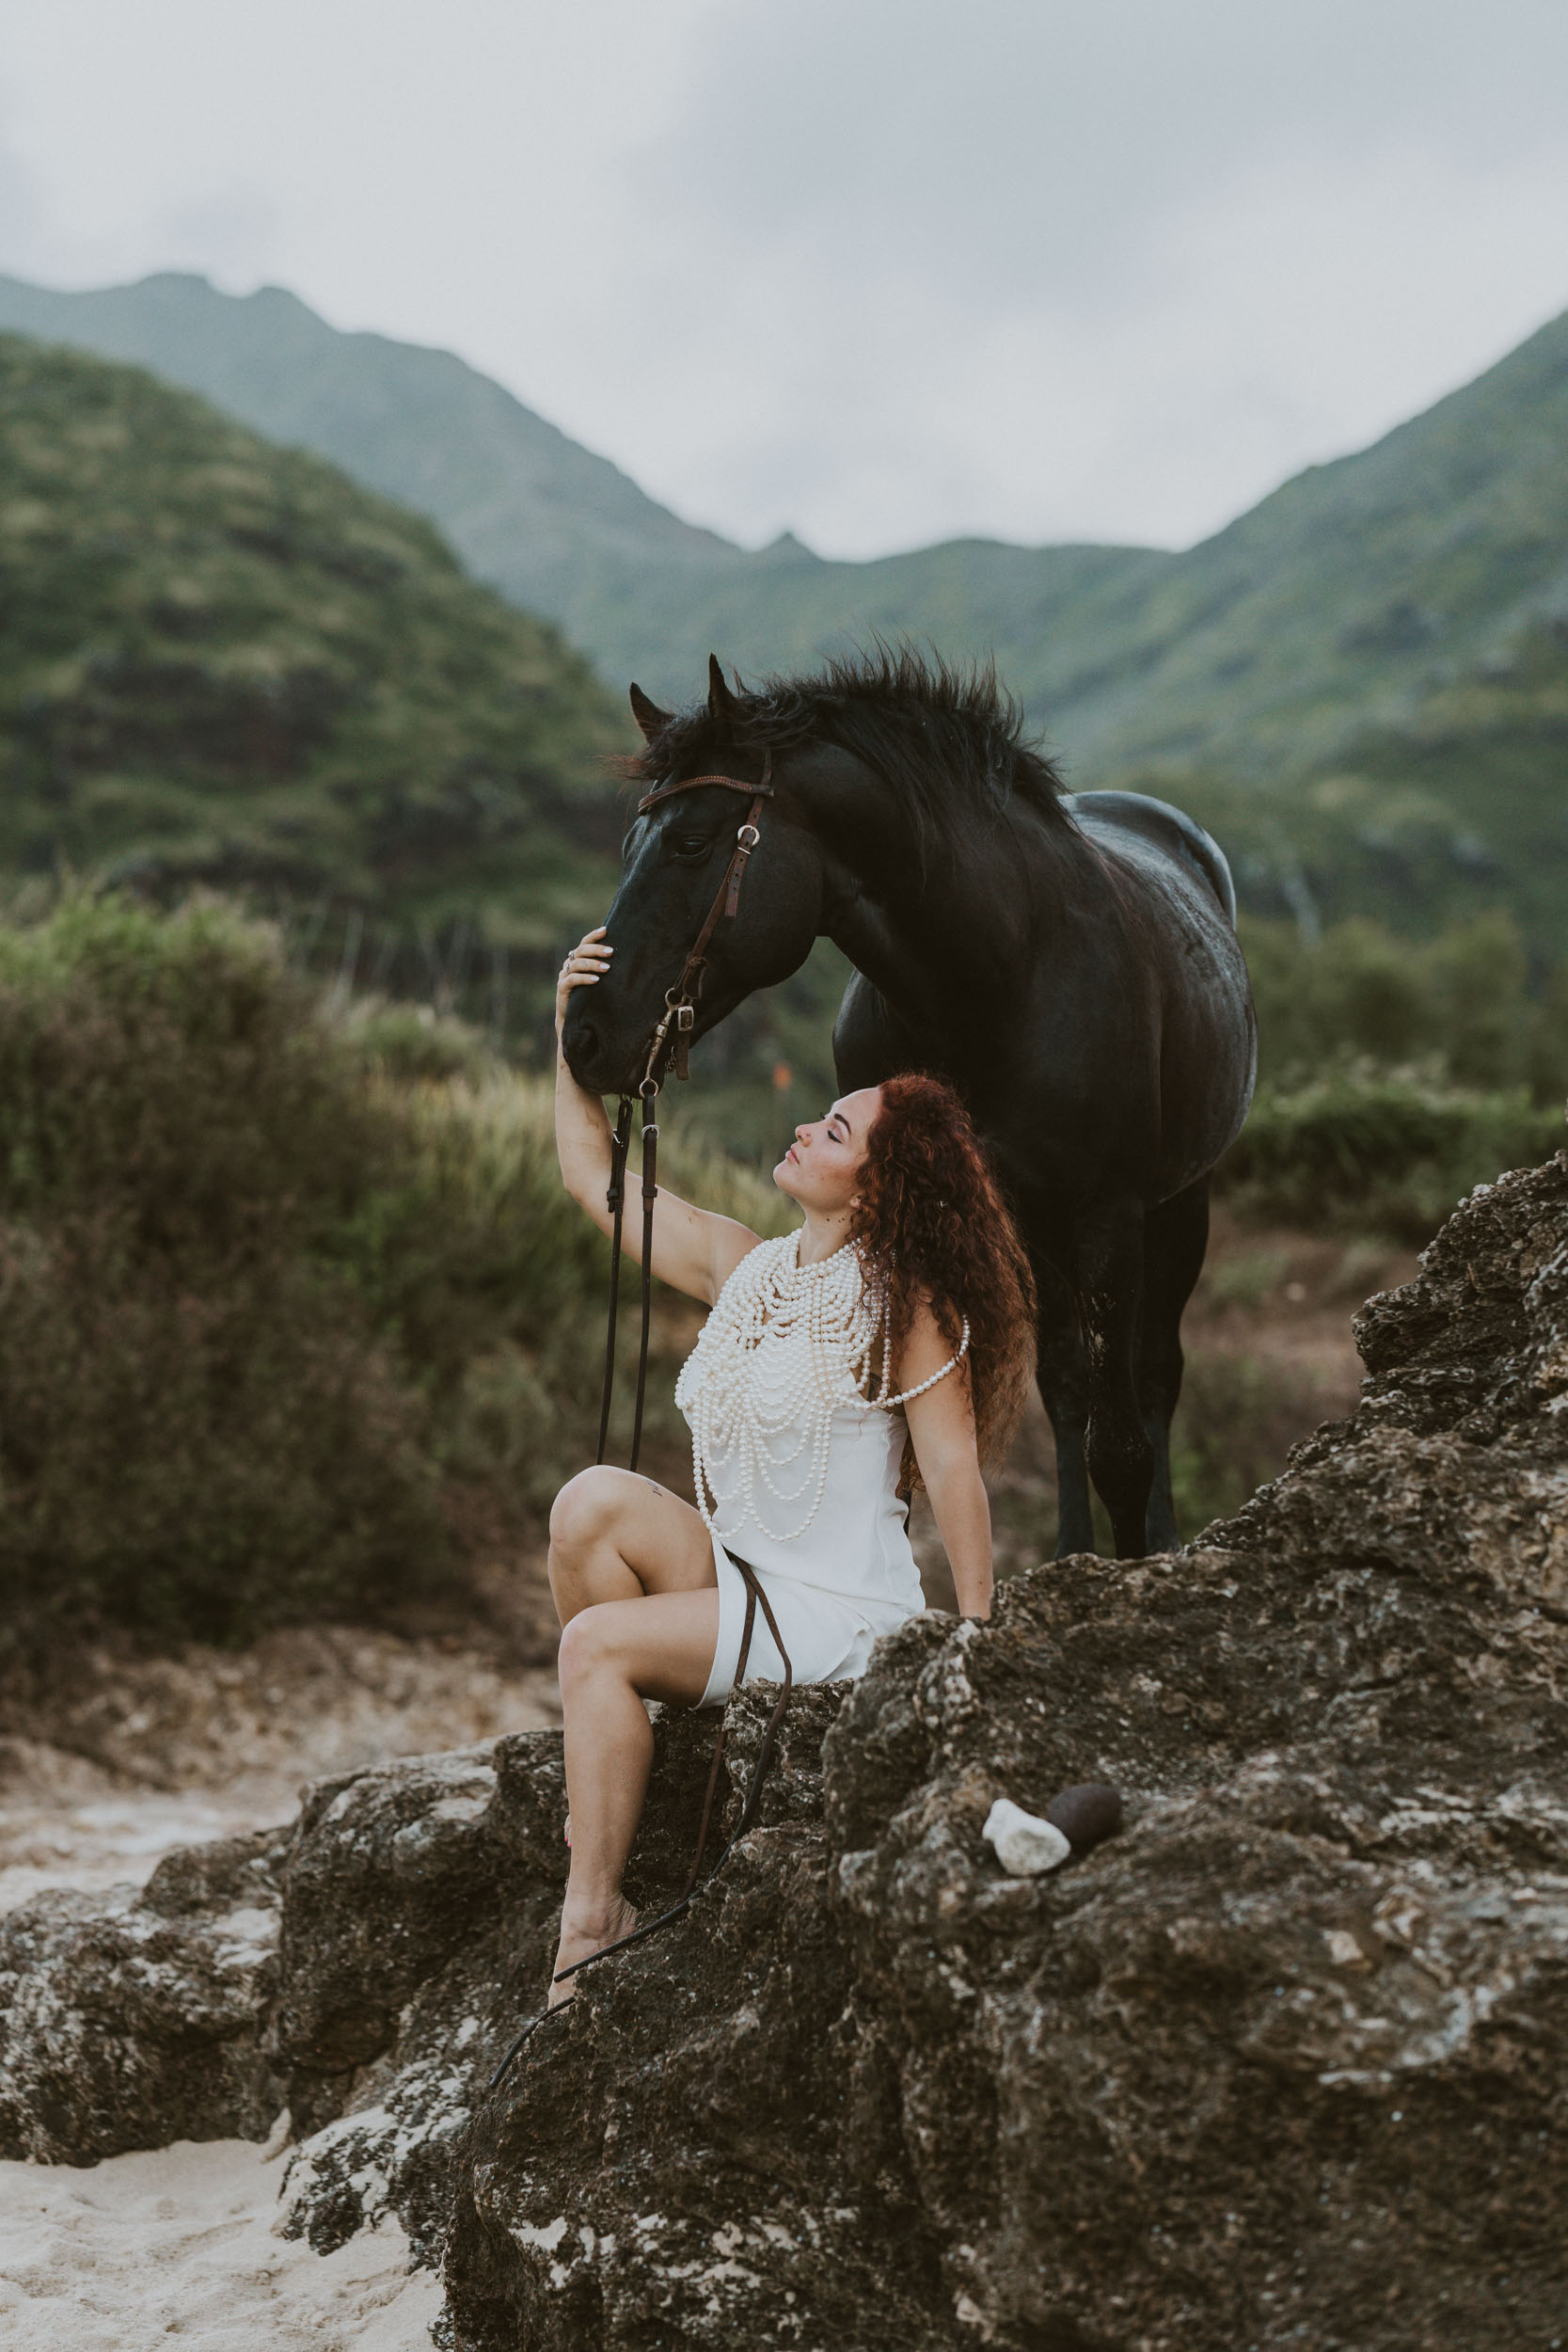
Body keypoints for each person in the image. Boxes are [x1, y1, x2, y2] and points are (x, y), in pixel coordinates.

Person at [547, 926, 1035, 2000]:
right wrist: (565, 1035)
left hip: (834, 1611)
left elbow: (951, 1470)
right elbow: (595, 1179)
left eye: (834, 1130)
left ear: (879, 1179)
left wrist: (977, 1639)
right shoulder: (745, 1264)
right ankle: (620, 1757)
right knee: (589, 1503)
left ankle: (591, 1914)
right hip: (737, 1576)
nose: (804, 1132)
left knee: (592, 1644)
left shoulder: (903, 1300)